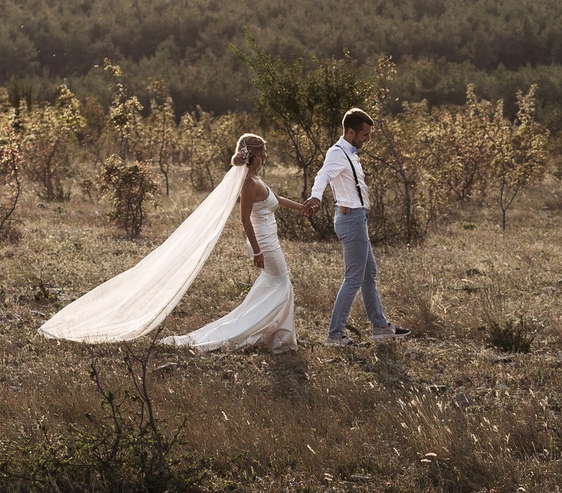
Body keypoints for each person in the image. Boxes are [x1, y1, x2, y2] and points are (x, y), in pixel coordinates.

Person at [157, 134, 319, 353]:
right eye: (262, 153)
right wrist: (257, 251)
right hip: (263, 242)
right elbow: (244, 219)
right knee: (282, 282)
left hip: (268, 239)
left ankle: (275, 333)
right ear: (254, 155)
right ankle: (273, 336)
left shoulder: (257, 178)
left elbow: (277, 199)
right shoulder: (249, 183)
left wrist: (302, 208)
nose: (265, 157)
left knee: (276, 283)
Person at [308, 108, 411, 347]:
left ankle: (380, 327)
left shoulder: (351, 154)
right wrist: (315, 198)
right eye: (365, 135)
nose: (368, 139)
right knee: (354, 278)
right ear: (351, 132)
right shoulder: (337, 153)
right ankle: (335, 334)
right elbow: (322, 176)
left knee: (368, 274)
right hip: (350, 219)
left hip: (358, 219)